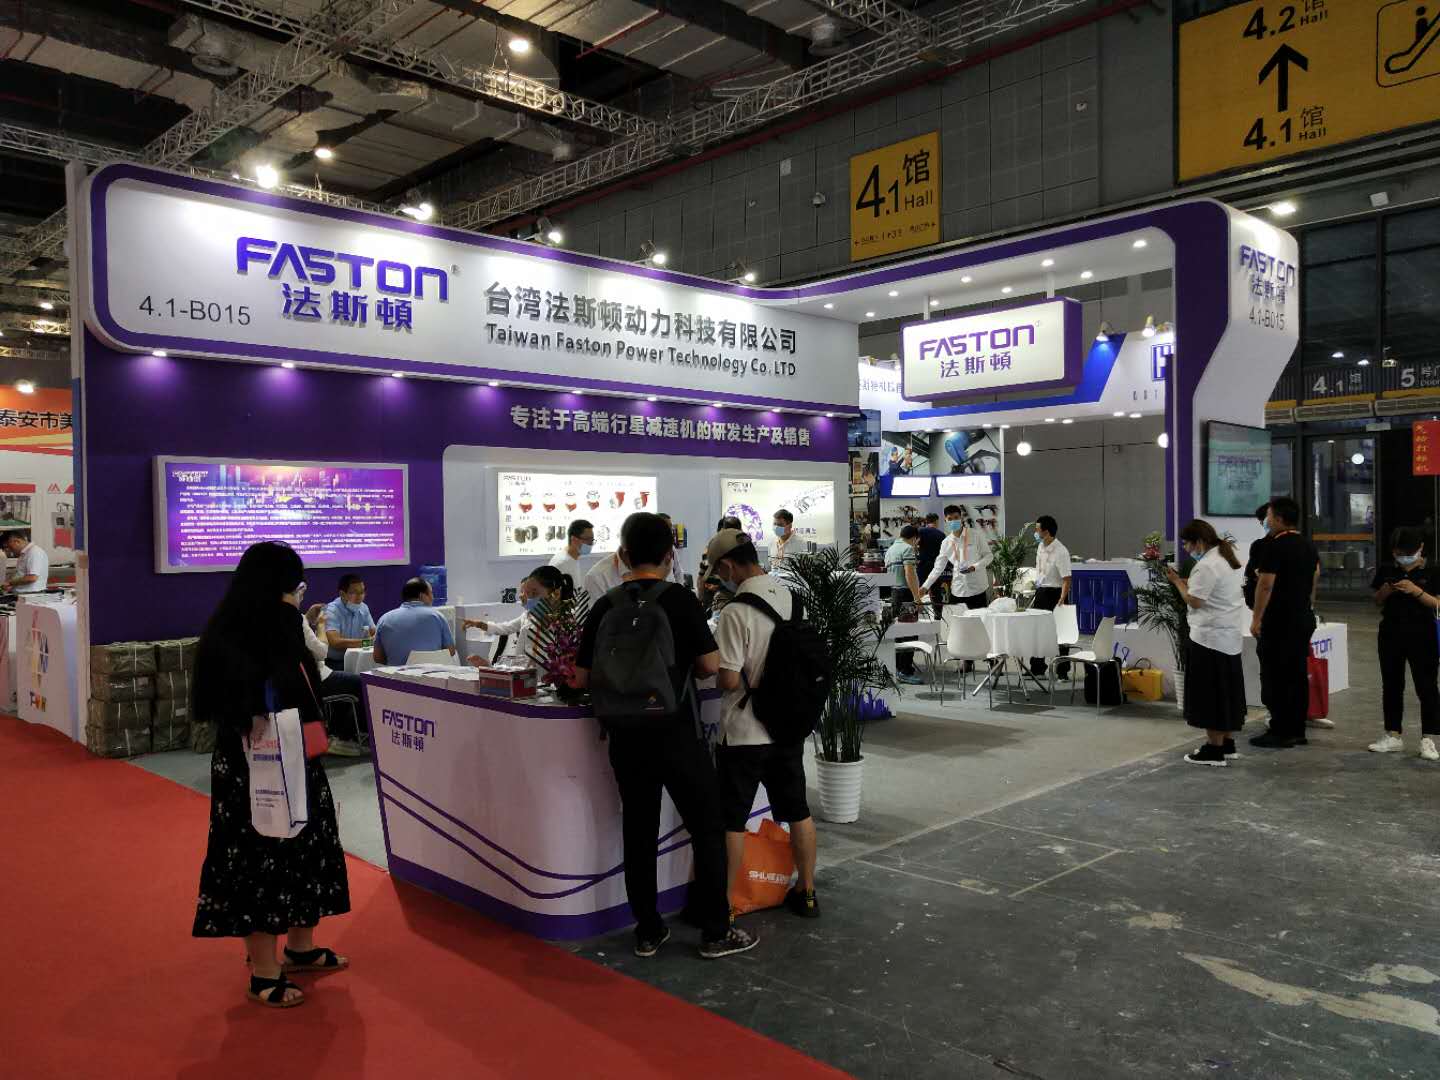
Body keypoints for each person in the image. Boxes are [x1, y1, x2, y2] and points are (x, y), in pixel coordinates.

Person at [572, 512, 757, 960]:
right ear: (670, 555)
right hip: (676, 734)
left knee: (638, 830)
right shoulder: (679, 600)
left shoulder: (606, 605)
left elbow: (580, 677)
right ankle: (715, 932)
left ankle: (648, 931)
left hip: (625, 738)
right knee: (707, 828)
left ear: (623, 555)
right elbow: (710, 666)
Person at [192, 541, 351, 1009]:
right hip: (281, 754)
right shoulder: (278, 621)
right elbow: (302, 678)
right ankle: (266, 969)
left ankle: (294, 950)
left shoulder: (225, 622)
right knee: (280, 851)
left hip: (247, 755)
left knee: (269, 850)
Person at [707, 528, 819, 919]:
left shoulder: (735, 612)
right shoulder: (793, 599)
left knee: (733, 819)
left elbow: (729, 680)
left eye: (718, 571)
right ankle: (807, 891)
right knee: (798, 810)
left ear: (727, 565)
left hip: (745, 731)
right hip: (787, 725)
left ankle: (723, 905)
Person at [1166, 520, 1247, 767]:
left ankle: (1214, 750)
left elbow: (1195, 601)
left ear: (1199, 541)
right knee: (1226, 694)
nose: (1186, 549)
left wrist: (1177, 582)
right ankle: (1227, 743)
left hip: (1209, 640)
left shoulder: (1207, 565)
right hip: (1228, 638)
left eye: (1187, 544)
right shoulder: (1226, 558)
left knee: (1210, 696)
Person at [1249, 497, 1320, 749]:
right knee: (1297, 675)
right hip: (1302, 617)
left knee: (1276, 676)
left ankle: (1280, 731)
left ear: (1279, 519)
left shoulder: (1274, 546)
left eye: (1268, 516)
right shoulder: (1307, 545)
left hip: (1279, 621)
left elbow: (1265, 585)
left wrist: (1256, 618)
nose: (1266, 520)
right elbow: (1315, 577)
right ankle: (1297, 729)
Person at [1367, 526, 1440, 761]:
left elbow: (1437, 604)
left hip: (1423, 634)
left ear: (1420, 548)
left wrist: (1416, 591)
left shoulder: (1433, 570)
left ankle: (1428, 738)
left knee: (1426, 686)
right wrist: (1386, 591)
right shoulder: (1387, 569)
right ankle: (1393, 735)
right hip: (1390, 633)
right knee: (1391, 684)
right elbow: (1376, 600)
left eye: (1407, 553)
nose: (1402, 557)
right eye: (1398, 553)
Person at [465, 565, 573, 665]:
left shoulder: (569, 624)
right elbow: (505, 628)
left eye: (534, 593)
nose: (529, 598)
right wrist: (480, 624)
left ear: (556, 594)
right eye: (527, 593)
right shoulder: (529, 617)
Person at [302, 600, 368, 757]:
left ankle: (338, 732)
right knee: (364, 684)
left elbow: (371, 630)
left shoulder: (363, 608)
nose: (358, 596)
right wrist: (321, 626)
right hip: (314, 677)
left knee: (347, 680)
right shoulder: (329, 611)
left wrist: (306, 618)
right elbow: (325, 649)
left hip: (308, 676)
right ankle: (343, 737)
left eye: (361, 592)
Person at [922, 505, 992, 614]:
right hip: (958, 590)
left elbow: (988, 556)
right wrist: (925, 586)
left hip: (977, 588)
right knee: (957, 622)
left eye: (956, 518)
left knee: (979, 621)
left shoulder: (975, 535)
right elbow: (938, 568)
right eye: (950, 519)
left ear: (961, 518)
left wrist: (975, 567)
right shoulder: (946, 543)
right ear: (945, 520)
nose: (953, 521)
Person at [373, 577, 455, 666]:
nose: (433, 597)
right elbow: (451, 652)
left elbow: (377, 657)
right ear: (422, 595)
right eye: (431, 593)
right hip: (433, 673)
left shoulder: (384, 619)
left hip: (397, 674)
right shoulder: (438, 616)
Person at [1029, 515, 1071, 677]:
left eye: (1037, 529)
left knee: (1062, 633)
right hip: (1042, 592)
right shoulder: (1041, 546)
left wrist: (1062, 598)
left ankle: (1062, 671)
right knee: (1038, 631)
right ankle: (1037, 668)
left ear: (1046, 532)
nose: (1035, 532)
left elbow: (1066, 578)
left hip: (1057, 593)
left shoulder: (1061, 551)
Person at [886, 524, 927, 685]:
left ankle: (897, 668)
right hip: (906, 595)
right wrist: (917, 598)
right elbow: (909, 573)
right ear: (914, 538)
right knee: (910, 634)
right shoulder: (907, 549)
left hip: (894, 595)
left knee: (898, 634)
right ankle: (905, 670)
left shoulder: (890, 550)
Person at [322, 574, 375, 669]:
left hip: (358, 659)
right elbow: (335, 642)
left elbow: (374, 633)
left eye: (362, 592)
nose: (360, 597)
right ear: (342, 594)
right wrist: (367, 642)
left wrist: (375, 638)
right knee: (360, 677)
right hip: (335, 662)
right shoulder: (331, 610)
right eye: (354, 593)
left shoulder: (363, 608)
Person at [696, 515, 744, 615]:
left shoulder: (742, 548)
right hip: (715, 597)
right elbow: (703, 576)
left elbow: (702, 577)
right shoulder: (713, 547)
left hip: (732, 597)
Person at [916, 513, 947, 619]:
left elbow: (915, 545)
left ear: (926, 521)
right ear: (937, 521)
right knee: (936, 591)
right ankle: (938, 615)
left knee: (919, 589)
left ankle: (917, 614)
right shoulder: (941, 534)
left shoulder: (920, 531)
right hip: (936, 566)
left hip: (922, 564)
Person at [550, 519, 593, 593]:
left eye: (591, 539)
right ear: (574, 539)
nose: (591, 543)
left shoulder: (572, 559)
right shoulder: (562, 563)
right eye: (587, 539)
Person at [1242, 502, 1271, 610]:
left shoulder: (1260, 546)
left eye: (1263, 520)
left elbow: (1264, 577)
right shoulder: (1259, 545)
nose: (1262, 524)